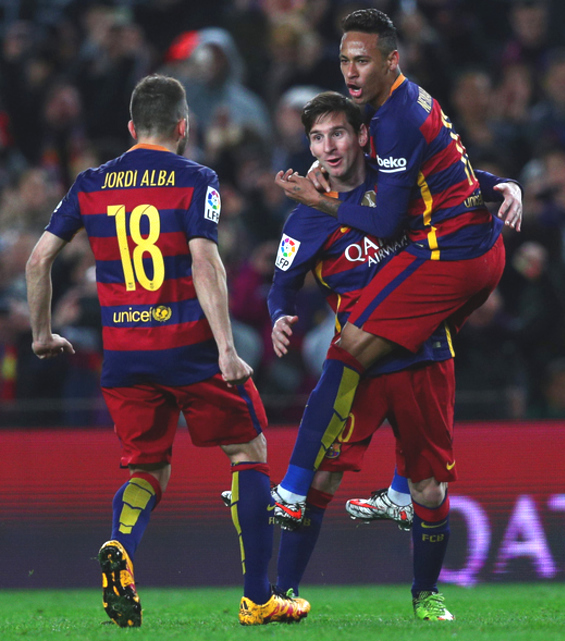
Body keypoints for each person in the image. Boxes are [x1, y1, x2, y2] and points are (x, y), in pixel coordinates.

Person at [221, 91, 521, 616]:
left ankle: (426, 597)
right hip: (360, 367)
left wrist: (503, 184)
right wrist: (279, 318)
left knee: (429, 488)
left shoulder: (396, 183)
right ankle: (285, 592)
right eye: (317, 137)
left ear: (361, 136)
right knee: (324, 477)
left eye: (338, 132)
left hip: (425, 354)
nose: (328, 146)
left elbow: (459, 178)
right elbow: (280, 287)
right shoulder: (305, 220)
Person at [25, 74, 309, 627]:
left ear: (132, 128)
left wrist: (40, 334)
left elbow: (38, 261)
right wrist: (227, 347)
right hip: (191, 349)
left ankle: (121, 546)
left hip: (126, 358)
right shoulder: (197, 177)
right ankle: (258, 597)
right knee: (248, 450)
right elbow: (205, 262)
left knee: (148, 468)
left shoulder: (90, 182)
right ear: (184, 126)